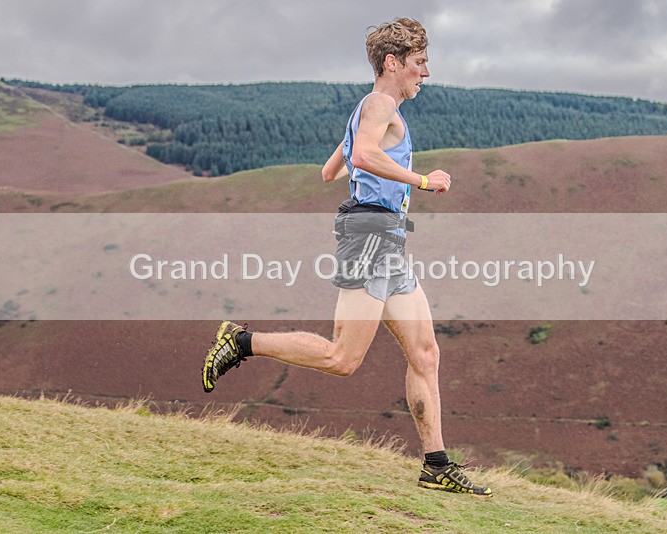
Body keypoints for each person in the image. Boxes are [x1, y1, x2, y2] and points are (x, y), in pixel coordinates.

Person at [202, 17, 491, 496]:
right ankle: (241, 342)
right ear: (393, 63)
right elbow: (359, 160)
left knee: (426, 353)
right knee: (342, 357)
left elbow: (328, 171)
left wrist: (360, 144)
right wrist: (423, 181)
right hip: (370, 235)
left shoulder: (370, 109)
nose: (426, 74)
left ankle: (435, 463)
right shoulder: (380, 103)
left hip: (387, 239)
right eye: (420, 64)